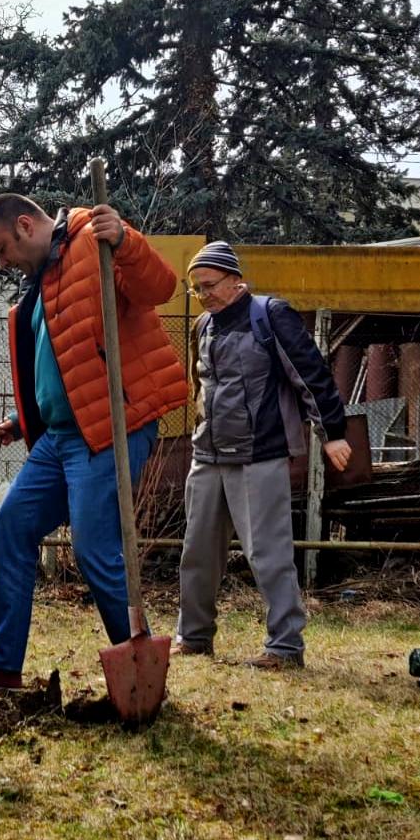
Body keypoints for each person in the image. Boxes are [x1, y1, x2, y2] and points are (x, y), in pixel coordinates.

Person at [0, 193, 188, 689]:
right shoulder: (43, 285)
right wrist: (23, 418)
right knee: (12, 528)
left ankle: (141, 674)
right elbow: (64, 365)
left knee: (96, 549)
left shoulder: (93, 239)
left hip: (109, 426)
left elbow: (161, 287)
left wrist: (125, 240)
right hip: (60, 437)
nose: (1, 261)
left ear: (23, 225)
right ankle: (2, 663)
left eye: (0, 248)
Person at [174, 241, 351, 669]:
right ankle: (194, 637)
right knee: (196, 552)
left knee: (267, 554)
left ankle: (285, 647)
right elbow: (203, 391)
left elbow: (311, 375)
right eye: (197, 289)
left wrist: (332, 433)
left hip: (259, 454)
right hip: (208, 454)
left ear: (236, 281)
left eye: (211, 285)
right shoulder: (204, 326)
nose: (205, 295)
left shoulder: (270, 315)